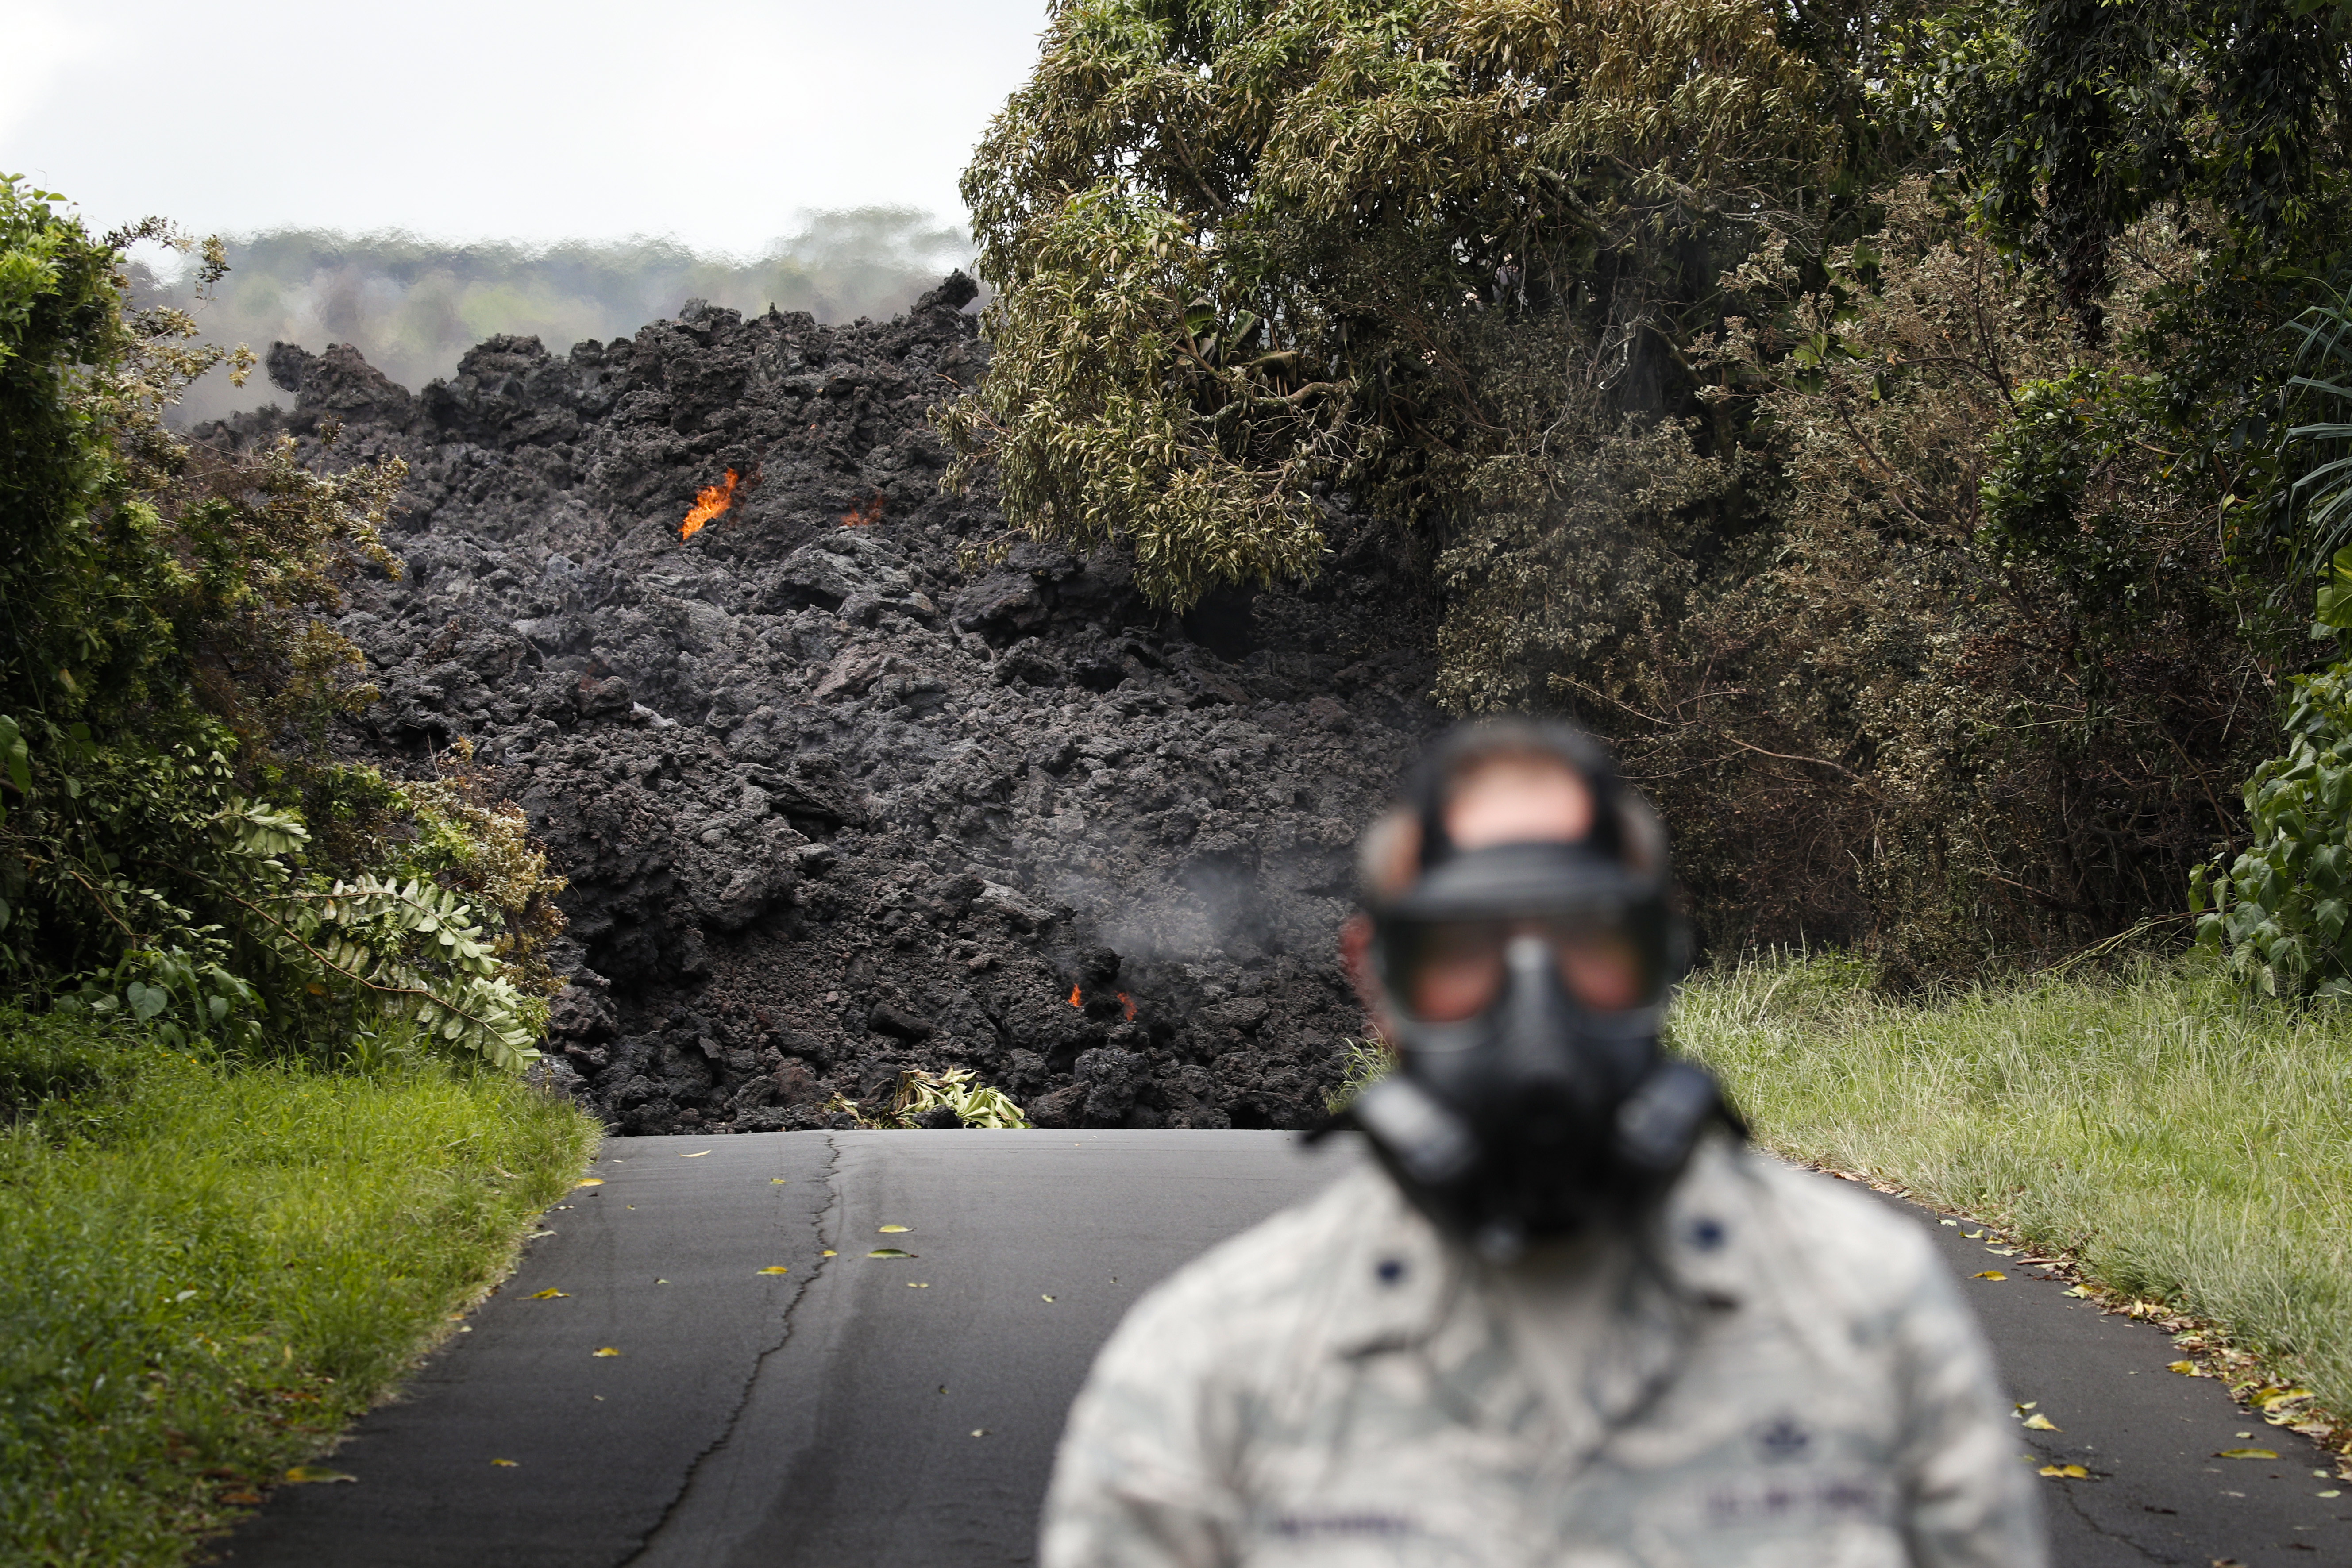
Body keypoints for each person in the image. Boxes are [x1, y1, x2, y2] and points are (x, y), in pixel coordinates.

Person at [1040, 719, 2045, 1568]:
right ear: (1376, 977)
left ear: (1663, 951)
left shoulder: (1868, 1312)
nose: (1534, 1007)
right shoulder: (1212, 1368)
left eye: (1586, 938)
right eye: (1464, 947)